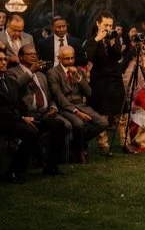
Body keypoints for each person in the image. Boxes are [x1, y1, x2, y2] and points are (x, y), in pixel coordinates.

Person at [0, 49, 66, 182]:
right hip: (7, 119)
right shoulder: (12, 73)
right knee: (30, 132)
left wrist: (52, 107)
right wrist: (23, 117)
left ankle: (51, 166)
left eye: (4, 59)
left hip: (30, 115)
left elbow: (47, 95)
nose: (3, 62)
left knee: (58, 125)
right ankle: (14, 171)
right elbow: (15, 91)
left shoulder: (6, 77)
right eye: (0, 60)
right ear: (21, 56)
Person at [47, 45, 108, 163]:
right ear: (59, 58)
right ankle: (79, 151)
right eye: (66, 58)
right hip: (66, 107)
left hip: (81, 104)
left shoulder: (78, 71)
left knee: (103, 123)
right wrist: (76, 112)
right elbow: (59, 97)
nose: (70, 61)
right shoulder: (53, 73)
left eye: (72, 58)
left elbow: (89, 93)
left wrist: (79, 78)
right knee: (79, 124)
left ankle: (75, 145)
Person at [85, 11, 125, 155]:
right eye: (105, 25)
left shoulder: (114, 36)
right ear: (98, 23)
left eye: (111, 25)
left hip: (115, 77)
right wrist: (97, 39)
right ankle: (104, 146)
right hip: (99, 78)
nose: (108, 27)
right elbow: (88, 56)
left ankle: (125, 142)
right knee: (101, 112)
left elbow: (118, 56)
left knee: (121, 111)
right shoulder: (91, 38)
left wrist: (114, 43)